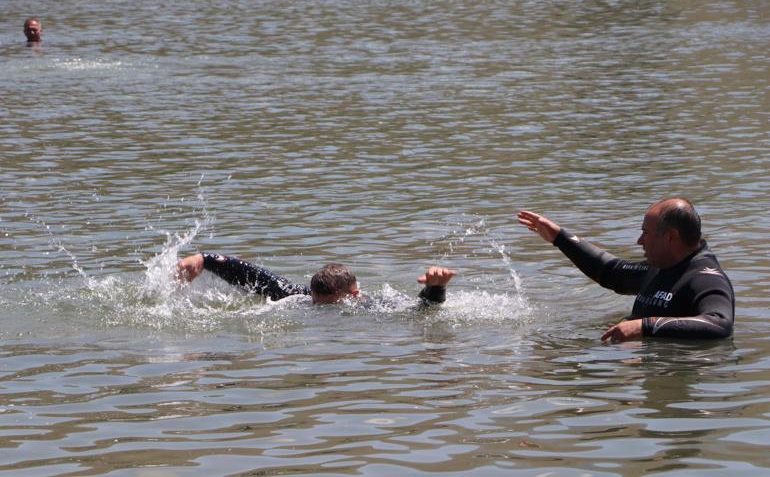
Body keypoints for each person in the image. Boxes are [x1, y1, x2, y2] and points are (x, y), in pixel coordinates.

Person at [518, 198, 734, 342]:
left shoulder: (706, 278)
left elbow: (719, 324)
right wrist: (560, 238)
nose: (639, 241)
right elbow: (612, 271)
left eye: (645, 233)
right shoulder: (660, 267)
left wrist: (645, 327)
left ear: (671, 237)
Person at [176, 252, 457, 306]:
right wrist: (207, 259)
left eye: (332, 305)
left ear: (354, 293)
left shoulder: (373, 305)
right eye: (318, 303)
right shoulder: (301, 297)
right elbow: (257, 276)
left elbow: (419, 313)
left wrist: (436, 289)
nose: (320, 308)